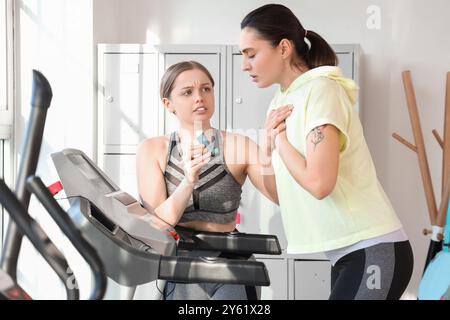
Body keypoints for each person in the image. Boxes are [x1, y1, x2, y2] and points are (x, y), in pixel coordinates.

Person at [239, 4, 413, 300]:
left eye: (251, 54)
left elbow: (320, 184)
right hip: (345, 255)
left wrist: (279, 139)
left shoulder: (321, 90)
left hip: (373, 248)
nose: (245, 65)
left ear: (283, 48)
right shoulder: (280, 101)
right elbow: (285, 195)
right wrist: (262, 152)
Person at [136, 60, 281, 300]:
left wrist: (268, 151)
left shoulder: (240, 146)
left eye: (206, 89)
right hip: (179, 264)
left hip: (231, 265)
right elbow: (160, 224)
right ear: (168, 103)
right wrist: (188, 180)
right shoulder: (153, 150)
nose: (199, 98)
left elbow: (279, 196)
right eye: (187, 92)